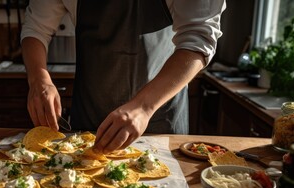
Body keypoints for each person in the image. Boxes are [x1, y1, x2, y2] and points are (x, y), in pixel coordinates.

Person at [21, 0, 226, 154]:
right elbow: (36, 28)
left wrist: (144, 107)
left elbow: (198, 39)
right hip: (89, 118)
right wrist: (39, 78)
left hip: (160, 117)